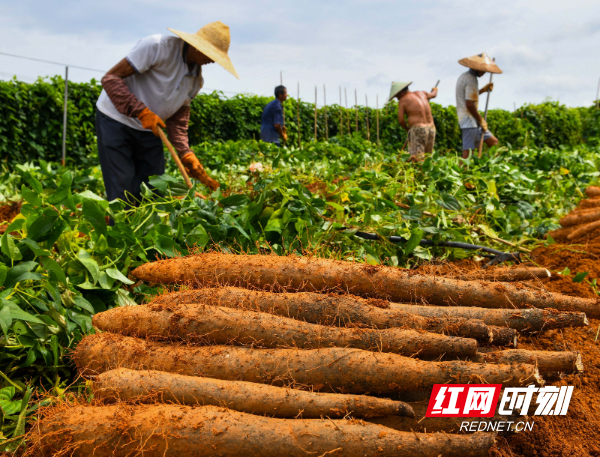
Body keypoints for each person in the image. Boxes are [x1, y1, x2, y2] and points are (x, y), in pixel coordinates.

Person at [96, 21, 239, 204]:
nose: (213, 61)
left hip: (151, 129)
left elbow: (177, 120)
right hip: (116, 121)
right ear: (196, 46)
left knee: (154, 188)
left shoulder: (196, 81)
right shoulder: (157, 47)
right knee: (122, 188)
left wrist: (185, 152)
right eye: (211, 54)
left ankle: (148, 231)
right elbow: (110, 78)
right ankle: (120, 230)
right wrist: (140, 111)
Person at [456, 53, 502, 159]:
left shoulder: (465, 76)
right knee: (468, 155)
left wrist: (483, 90)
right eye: (484, 70)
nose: (484, 73)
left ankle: (492, 167)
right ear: (477, 69)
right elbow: (469, 104)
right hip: (469, 122)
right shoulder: (471, 79)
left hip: (473, 122)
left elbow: (469, 98)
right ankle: (462, 173)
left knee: (494, 143)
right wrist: (481, 119)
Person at [390, 81, 438, 162]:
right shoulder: (422, 93)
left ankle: (419, 173)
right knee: (428, 157)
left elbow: (401, 120)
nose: (397, 98)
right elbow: (433, 95)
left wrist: (407, 129)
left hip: (418, 129)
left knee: (417, 158)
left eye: (396, 95)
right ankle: (427, 173)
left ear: (401, 92)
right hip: (431, 128)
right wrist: (435, 89)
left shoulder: (403, 100)